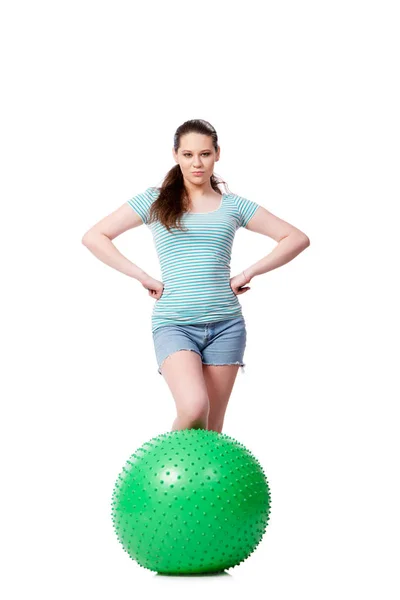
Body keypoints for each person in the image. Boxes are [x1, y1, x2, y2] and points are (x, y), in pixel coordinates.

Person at [82, 119, 310, 434]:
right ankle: (162, 478)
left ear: (217, 154)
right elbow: (95, 236)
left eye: (204, 153)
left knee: (211, 429)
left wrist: (247, 273)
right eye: (188, 154)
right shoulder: (154, 200)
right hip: (174, 323)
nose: (197, 162)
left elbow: (296, 238)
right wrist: (143, 277)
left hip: (226, 325)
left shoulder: (234, 206)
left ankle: (204, 485)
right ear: (176, 155)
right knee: (193, 409)